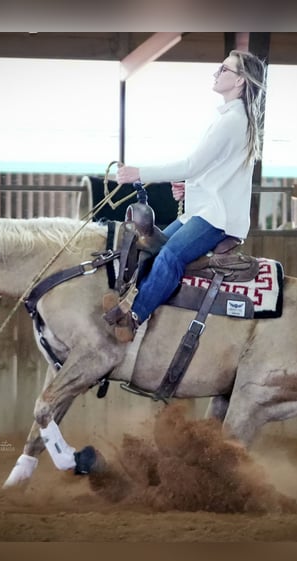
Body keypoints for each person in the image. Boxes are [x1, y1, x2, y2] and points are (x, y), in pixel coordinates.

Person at [104, 49, 267, 342]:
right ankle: (128, 304)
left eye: (223, 70)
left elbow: (192, 165)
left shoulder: (231, 121)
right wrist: (188, 187)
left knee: (169, 256)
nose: (217, 74)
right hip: (204, 210)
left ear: (240, 81)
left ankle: (134, 317)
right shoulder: (231, 119)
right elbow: (216, 172)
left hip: (217, 217)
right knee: (150, 247)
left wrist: (140, 173)